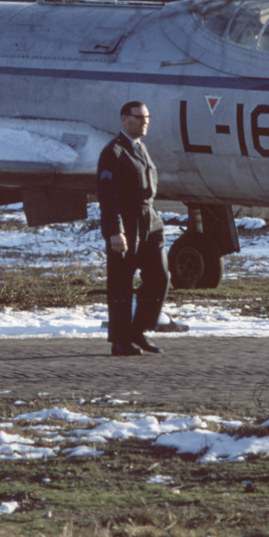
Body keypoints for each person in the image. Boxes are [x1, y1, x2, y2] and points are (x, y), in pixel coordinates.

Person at [97, 100, 170, 356]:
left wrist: (154, 220)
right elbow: (108, 197)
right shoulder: (114, 152)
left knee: (160, 276)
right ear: (124, 119)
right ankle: (120, 340)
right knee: (121, 281)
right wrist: (115, 231)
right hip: (126, 222)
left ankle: (138, 329)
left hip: (149, 219)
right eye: (139, 117)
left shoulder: (141, 148)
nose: (144, 121)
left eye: (147, 117)